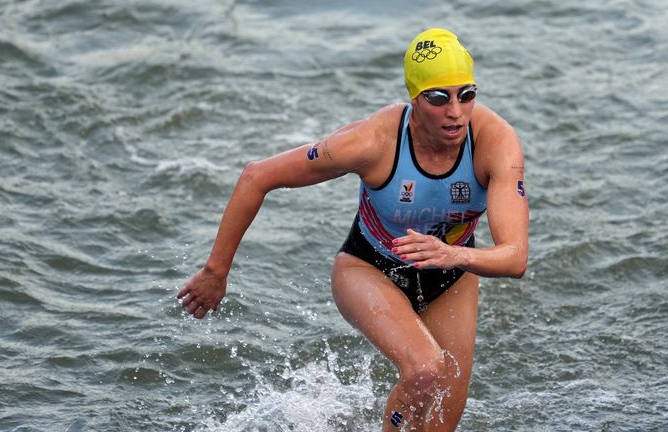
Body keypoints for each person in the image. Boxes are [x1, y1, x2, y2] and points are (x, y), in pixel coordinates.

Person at [177, 28, 528, 431]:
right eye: (438, 97)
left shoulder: (495, 143)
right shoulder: (372, 142)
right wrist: (216, 272)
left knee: (439, 423)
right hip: (369, 268)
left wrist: (454, 255)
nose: (455, 111)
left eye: (466, 94)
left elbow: (515, 257)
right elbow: (257, 176)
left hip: (451, 276)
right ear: (414, 99)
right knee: (425, 369)